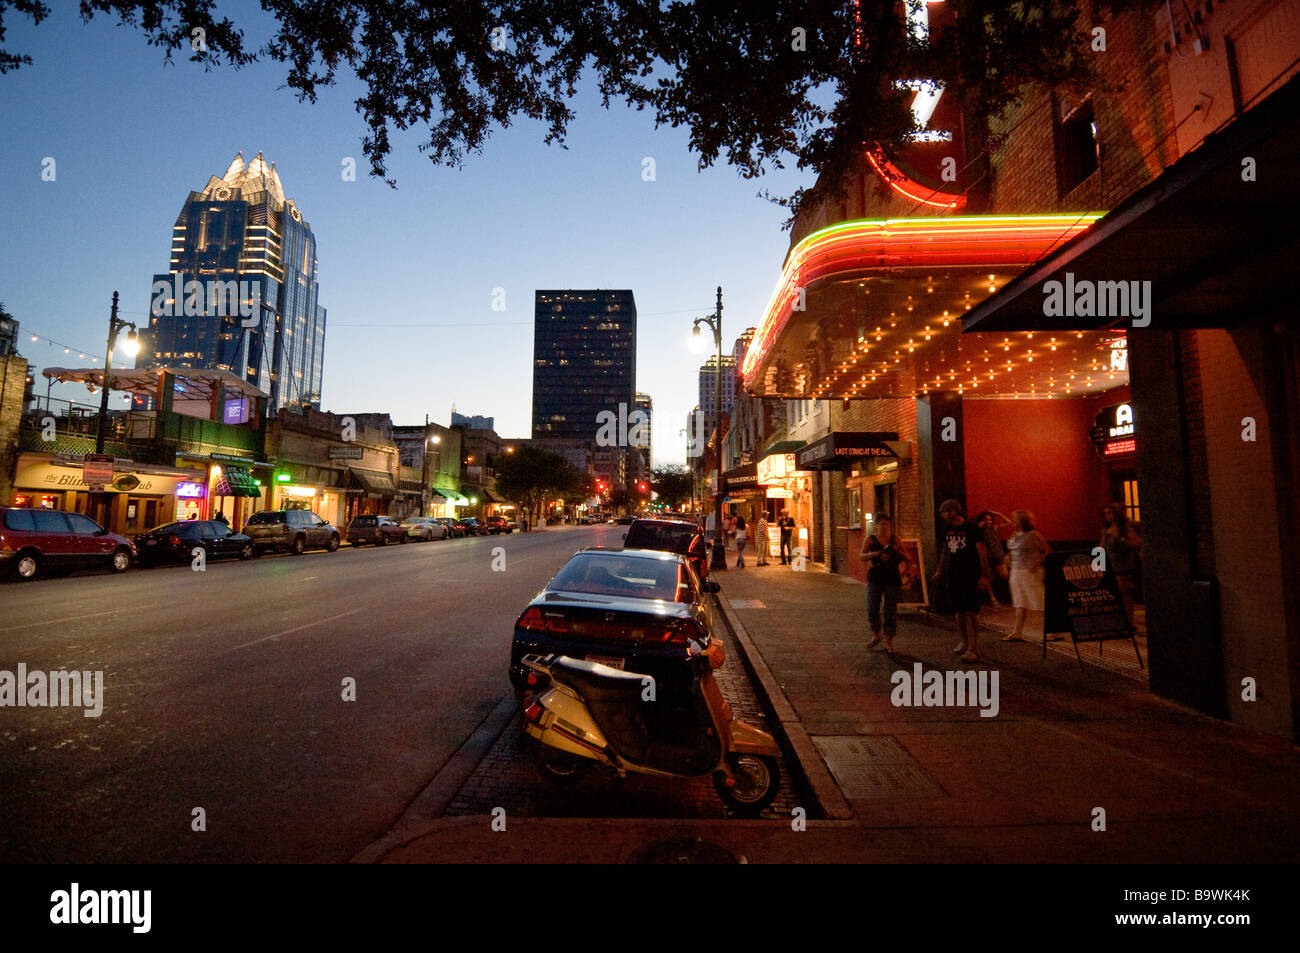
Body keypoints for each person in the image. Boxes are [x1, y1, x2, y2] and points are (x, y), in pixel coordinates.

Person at [934, 499, 990, 663]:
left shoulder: (972, 529)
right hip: (953, 575)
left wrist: (984, 576)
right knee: (958, 611)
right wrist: (940, 569)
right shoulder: (948, 528)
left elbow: (982, 553)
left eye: (944, 512)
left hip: (970, 575)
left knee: (971, 612)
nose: (943, 516)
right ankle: (964, 641)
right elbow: (945, 550)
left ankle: (973, 648)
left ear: (953, 512)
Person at [861, 515, 908, 652]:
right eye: (882, 524)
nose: (885, 526)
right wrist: (875, 554)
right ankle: (876, 634)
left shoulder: (895, 539)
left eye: (887, 524)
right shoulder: (871, 539)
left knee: (890, 610)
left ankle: (889, 642)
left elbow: (906, 556)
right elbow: (861, 556)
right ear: (876, 525)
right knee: (872, 607)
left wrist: (898, 553)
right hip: (875, 576)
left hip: (892, 577)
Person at [1003, 509, 1051, 642]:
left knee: (1039, 602)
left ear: (1022, 521)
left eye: (1015, 520)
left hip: (1030, 573)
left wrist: (1035, 565)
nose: (1013, 522)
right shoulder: (1015, 534)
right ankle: (1017, 632)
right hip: (1017, 572)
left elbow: (1046, 551)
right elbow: (1012, 551)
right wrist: (1007, 560)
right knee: (1020, 603)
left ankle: (1053, 631)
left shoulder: (1033, 535)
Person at [1101, 503, 1143, 630]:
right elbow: (1102, 546)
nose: (1107, 516)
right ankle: (1118, 620)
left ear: (1116, 514)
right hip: (1110, 563)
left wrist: (1122, 539)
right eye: (1105, 513)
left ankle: (1128, 623)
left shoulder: (1124, 528)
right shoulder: (1106, 529)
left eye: (1110, 512)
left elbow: (1137, 543)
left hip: (1122, 563)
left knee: (1124, 593)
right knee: (1114, 593)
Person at [973, 511, 1010, 607]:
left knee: (1004, 574)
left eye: (989, 519)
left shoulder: (994, 528)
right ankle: (992, 598)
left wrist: (998, 514)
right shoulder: (979, 530)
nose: (988, 521)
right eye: (986, 520)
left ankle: (983, 592)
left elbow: (1009, 522)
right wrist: (978, 528)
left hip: (998, 555)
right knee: (987, 577)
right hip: (987, 557)